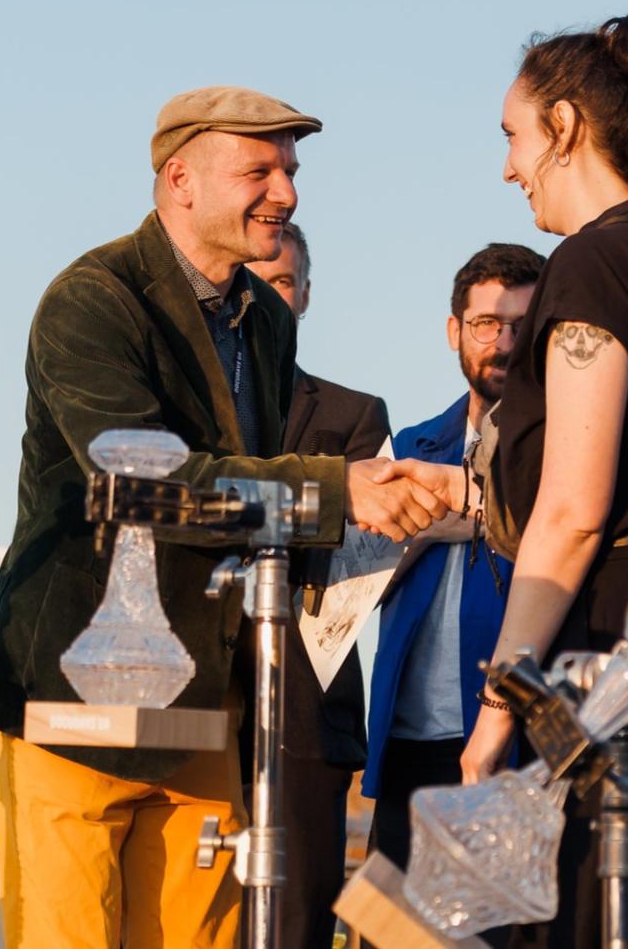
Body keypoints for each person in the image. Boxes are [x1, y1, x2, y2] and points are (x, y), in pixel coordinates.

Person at [0, 86, 446, 949]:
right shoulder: (91, 299)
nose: (287, 192)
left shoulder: (265, 319)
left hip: (200, 705)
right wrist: (339, 490)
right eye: (258, 170)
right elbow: (147, 480)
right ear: (179, 179)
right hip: (76, 704)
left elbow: (250, 503)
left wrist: (403, 514)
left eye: (291, 170)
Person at [390, 12, 628, 949]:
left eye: (512, 137)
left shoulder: (594, 262)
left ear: (561, 125)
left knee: (590, 924)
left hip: (624, 640)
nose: (508, 168)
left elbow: (573, 506)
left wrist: (496, 705)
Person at [364, 242, 543, 872]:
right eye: (486, 324)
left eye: (522, 326)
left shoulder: (567, 452)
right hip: (407, 742)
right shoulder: (412, 444)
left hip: (511, 741)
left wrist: (464, 517)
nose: (503, 342)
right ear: (454, 332)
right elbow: (353, 573)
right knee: (388, 936)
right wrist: (432, 529)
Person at [241, 222, 390, 949]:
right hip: (194, 702)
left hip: (305, 703)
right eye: (255, 280)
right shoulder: (191, 415)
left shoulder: (353, 415)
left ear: (303, 295)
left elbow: (364, 549)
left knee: (296, 921)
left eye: (283, 282)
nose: (270, 296)